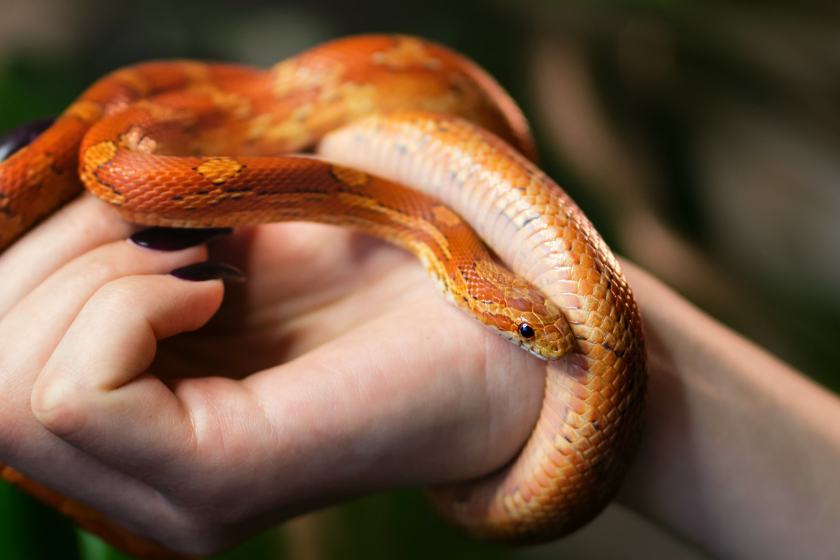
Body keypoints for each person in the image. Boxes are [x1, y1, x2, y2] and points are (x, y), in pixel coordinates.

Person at [1, 164, 839, 560]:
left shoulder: (450, 248)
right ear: (482, 299)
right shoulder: (440, 246)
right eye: (522, 336)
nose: (546, 343)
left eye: (526, 336)